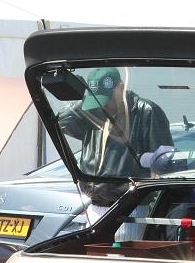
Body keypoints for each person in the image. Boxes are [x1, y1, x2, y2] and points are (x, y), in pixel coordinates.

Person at [58, 67, 173, 208]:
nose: (103, 106)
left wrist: (146, 198)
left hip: (129, 206)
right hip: (93, 202)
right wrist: (85, 97)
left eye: (106, 99)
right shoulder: (92, 112)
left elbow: (163, 162)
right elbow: (61, 122)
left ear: (121, 88)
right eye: (98, 101)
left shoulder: (146, 111)